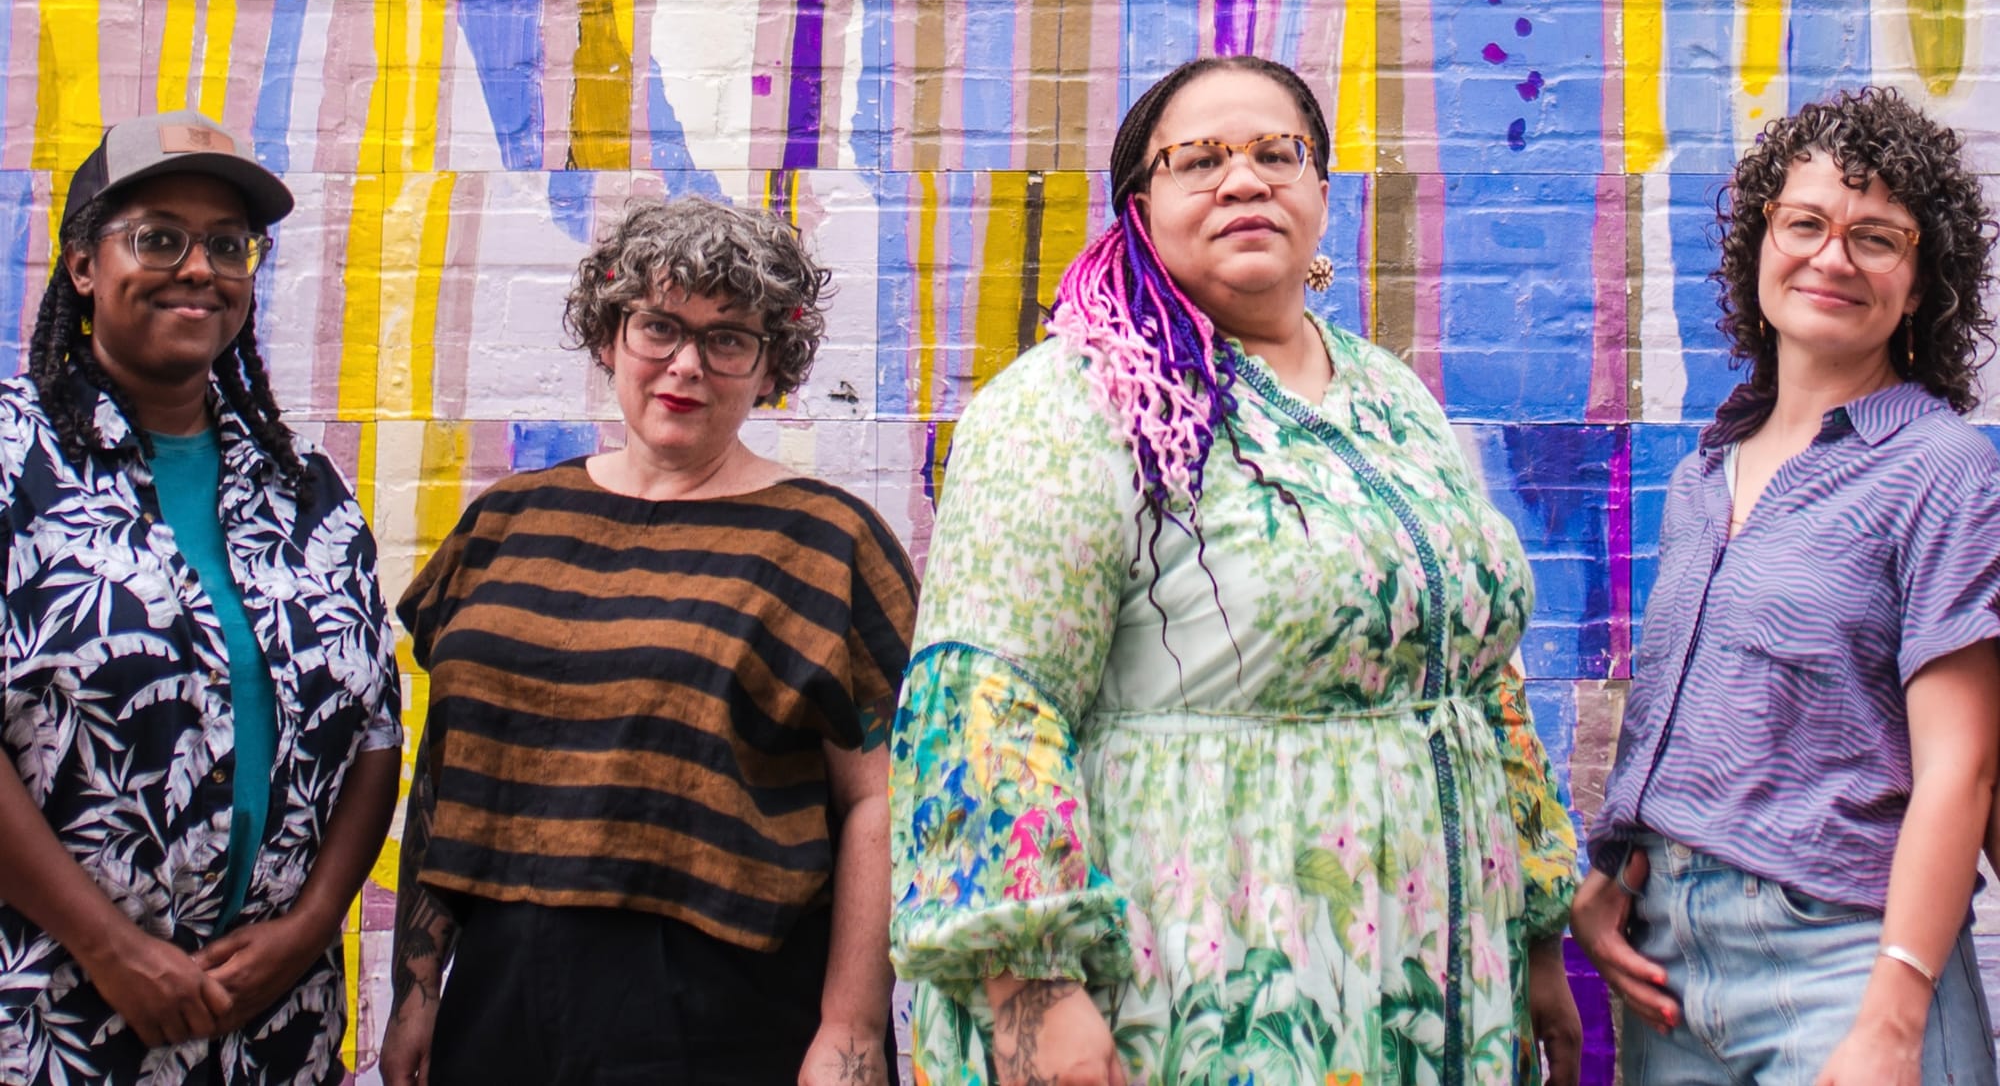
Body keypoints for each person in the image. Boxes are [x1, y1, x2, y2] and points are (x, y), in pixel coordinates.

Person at [890, 56, 1582, 1086]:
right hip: (1203, 985)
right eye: (1198, 160)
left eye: (1275, 154)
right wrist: (1031, 992)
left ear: (1318, 192)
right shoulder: (1071, 406)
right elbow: (988, 701)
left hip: (1433, 969)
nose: (1243, 180)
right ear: (1139, 207)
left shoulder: (1391, 399)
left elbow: (1483, 678)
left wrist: (1530, 931)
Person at [379, 195, 919, 1086]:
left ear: (770, 364)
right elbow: (448, 765)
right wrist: (418, 988)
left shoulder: (827, 541)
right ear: (609, 336)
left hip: (718, 1004)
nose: (686, 365)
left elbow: (880, 800)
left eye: (728, 338)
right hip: (500, 988)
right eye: (658, 327)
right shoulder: (508, 521)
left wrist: (852, 1028)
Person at [1572, 89, 2000, 1086]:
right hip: (1666, 969)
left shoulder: (1942, 472)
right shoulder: (1700, 475)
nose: (1830, 256)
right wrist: (1605, 877)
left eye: (1875, 238)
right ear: (1758, 244)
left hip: (1840, 964)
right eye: (1802, 222)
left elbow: (1960, 770)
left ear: (1920, 280)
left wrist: (1893, 1015)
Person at [0, 110, 403, 1085]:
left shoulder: (307, 494)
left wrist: (308, 930)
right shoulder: (15, 464)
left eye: (228, 244)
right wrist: (112, 948)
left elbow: (376, 735)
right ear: (84, 266)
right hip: (53, 1015)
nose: (198, 267)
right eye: (158, 237)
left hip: (274, 1026)